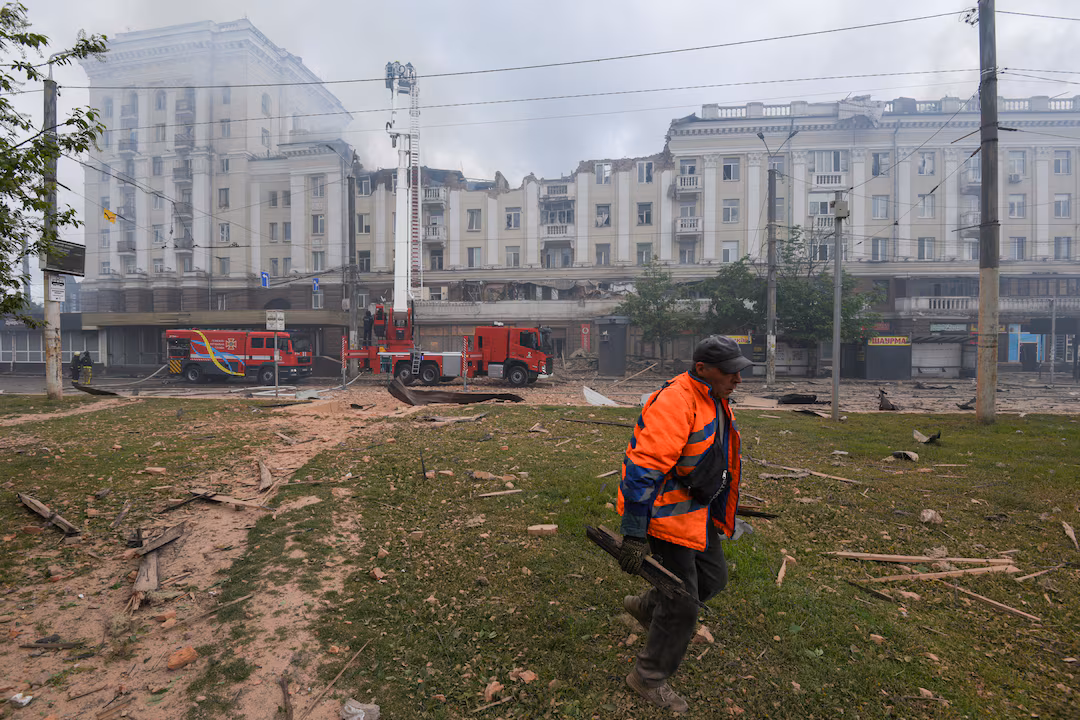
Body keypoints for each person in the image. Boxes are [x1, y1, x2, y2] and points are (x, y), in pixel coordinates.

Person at [616, 335, 750, 713]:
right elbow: (642, 468)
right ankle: (647, 677)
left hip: (696, 513)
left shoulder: (713, 396)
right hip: (665, 517)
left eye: (739, 371)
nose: (738, 379)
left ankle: (649, 607)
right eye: (730, 372)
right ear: (702, 368)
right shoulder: (677, 400)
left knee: (713, 579)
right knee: (684, 602)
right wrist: (634, 533)